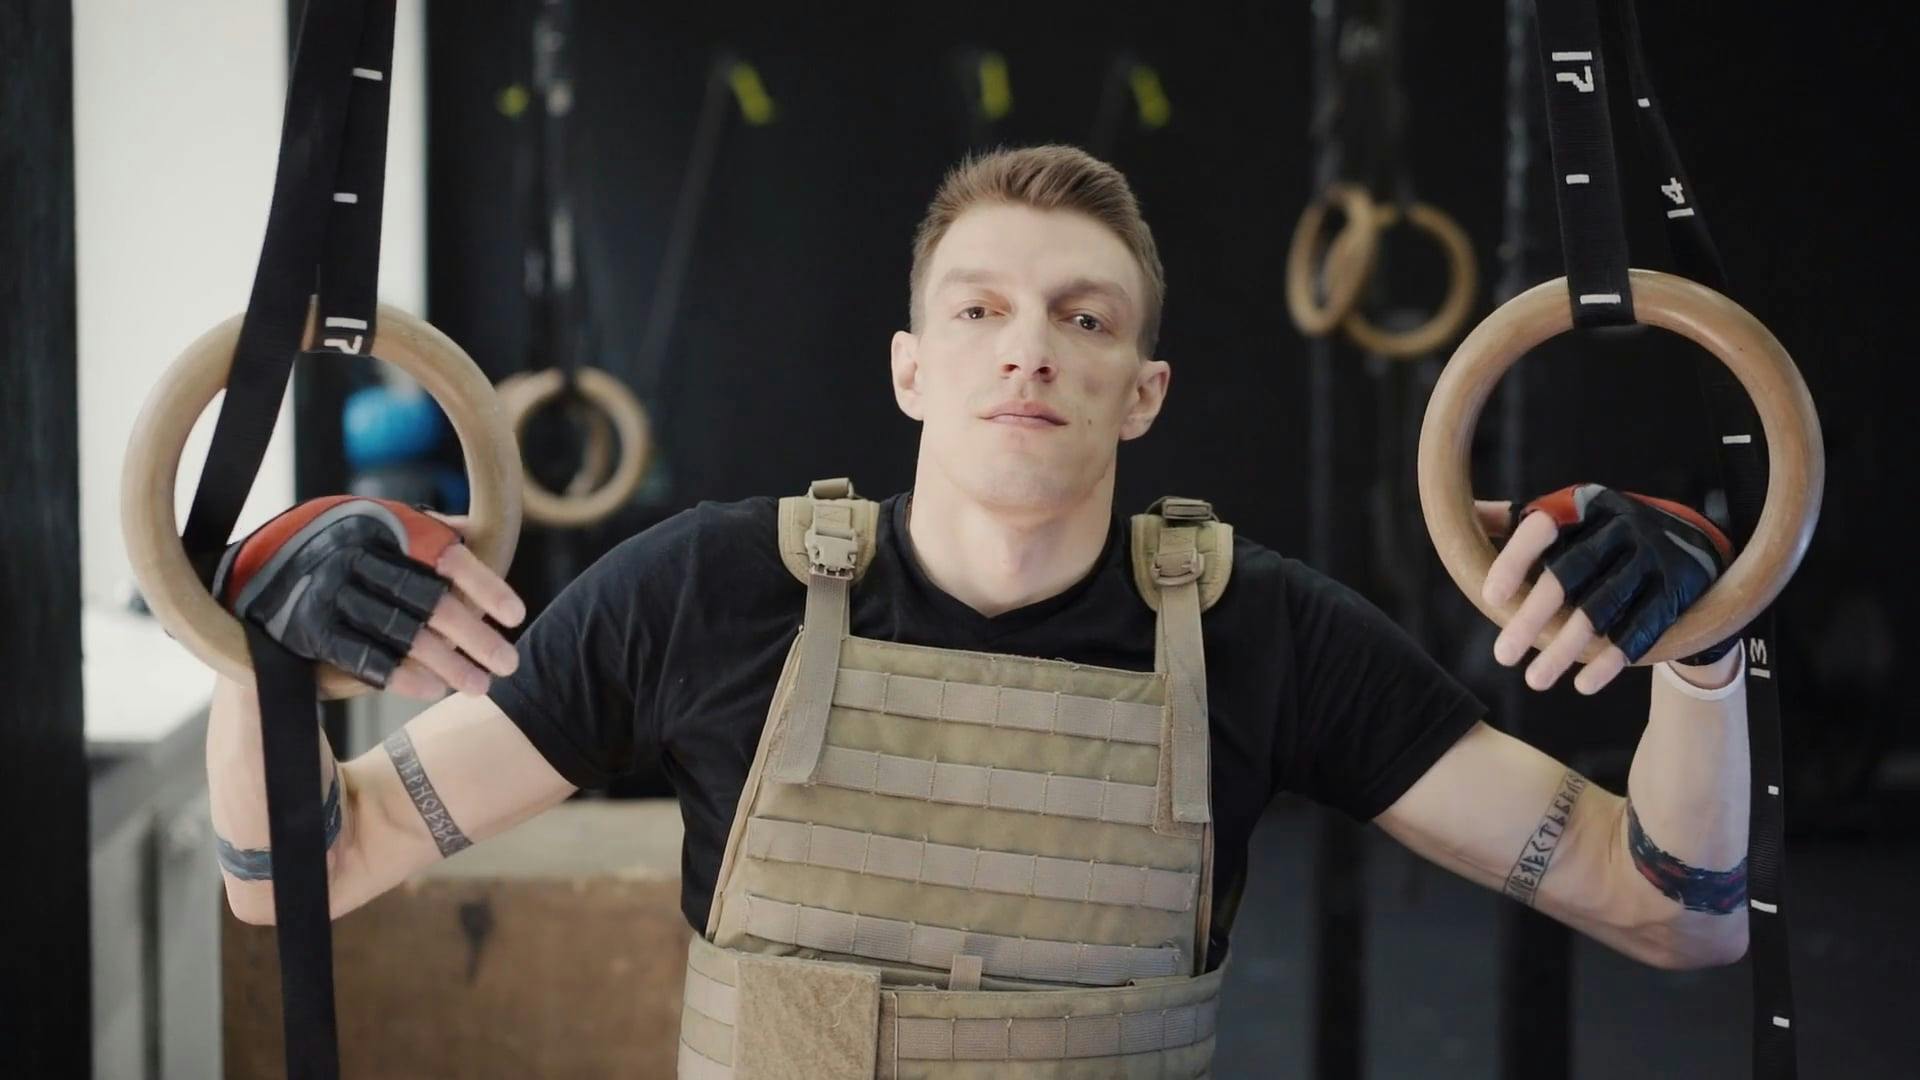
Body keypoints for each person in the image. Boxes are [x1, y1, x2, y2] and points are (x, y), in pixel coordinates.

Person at [207, 145, 1750, 1075]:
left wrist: (1705, 649)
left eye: (1084, 321)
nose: (1031, 352)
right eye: (981, 311)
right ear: (912, 368)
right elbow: (302, 872)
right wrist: (256, 647)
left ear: (1141, 393)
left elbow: (1675, 912)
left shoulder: (1263, 635)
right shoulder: (708, 592)